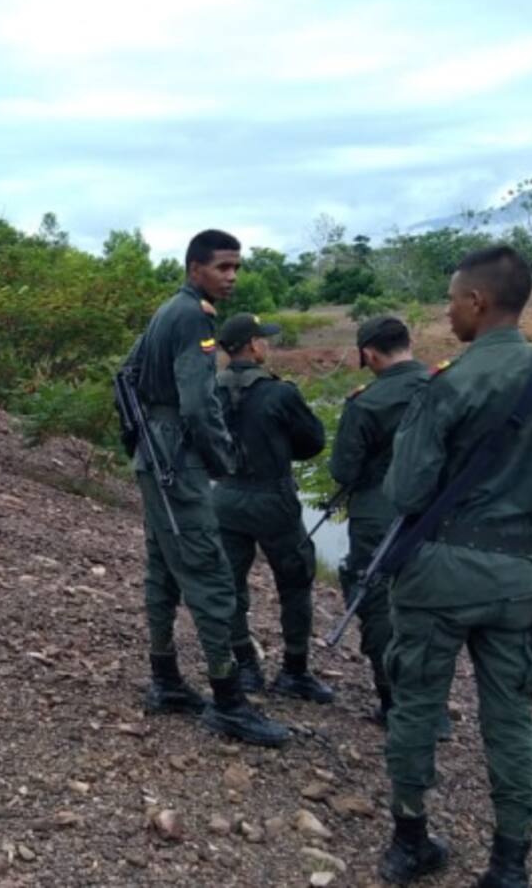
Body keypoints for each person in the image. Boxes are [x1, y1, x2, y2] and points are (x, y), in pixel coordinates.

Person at [377, 246, 532, 887]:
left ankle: (410, 843)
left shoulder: (448, 383)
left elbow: (406, 492)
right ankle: (509, 865)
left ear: (477, 301)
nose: (446, 312)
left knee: (417, 705)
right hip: (515, 578)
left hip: (437, 575)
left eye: (451, 300)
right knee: (511, 719)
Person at [123, 229, 288, 747]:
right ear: (196, 268)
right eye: (223, 267)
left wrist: (141, 438)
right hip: (177, 459)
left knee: (162, 569)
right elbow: (198, 403)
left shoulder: (166, 311)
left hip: (154, 453)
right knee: (209, 573)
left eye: (236, 267)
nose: (231, 276)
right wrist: (222, 458)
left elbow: (127, 374)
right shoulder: (194, 317)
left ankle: (166, 677)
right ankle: (228, 700)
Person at [212, 313, 334, 705]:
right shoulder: (280, 393)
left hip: (225, 496)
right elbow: (313, 441)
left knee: (230, 584)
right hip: (272, 499)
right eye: (263, 339)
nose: (267, 344)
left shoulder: (211, 389)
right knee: (295, 580)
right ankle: (294, 670)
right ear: (252, 345)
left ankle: (245, 665)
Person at [328, 316, 427, 724]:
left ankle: (393, 700)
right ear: (408, 342)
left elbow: (343, 471)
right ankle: (430, 702)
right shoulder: (446, 388)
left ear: (368, 354)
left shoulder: (366, 402)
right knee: (429, 604)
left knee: (377, 604)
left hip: (377, 516)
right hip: (437, 517)